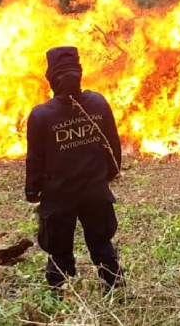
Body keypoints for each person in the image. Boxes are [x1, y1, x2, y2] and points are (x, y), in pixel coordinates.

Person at [24, 46, 124, 292]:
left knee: (59, 252)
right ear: (79, 72)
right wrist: (108, 175)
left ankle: (57, 299)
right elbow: (113, 147)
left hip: (59, 197)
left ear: (50, 77)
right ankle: (116, 292)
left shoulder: (41, 115)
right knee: (102, 245)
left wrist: (32, 190)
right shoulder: (98, 103)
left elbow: (35, 160)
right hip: (95, 192)